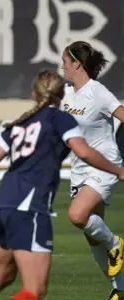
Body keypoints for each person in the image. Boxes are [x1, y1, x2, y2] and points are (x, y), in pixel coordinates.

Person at [0, 70, 124, 299]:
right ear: (61, 95)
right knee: (34, 290)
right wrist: (119, 170)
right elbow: (83, 152)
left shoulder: (19, 123)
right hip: (29, 210)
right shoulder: (60, 118)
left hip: (1, 206)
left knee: (0, 278)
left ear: (34, 95)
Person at [61, 41, 124, 299]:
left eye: (65, 61)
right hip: (80, 169)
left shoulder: (98, 92)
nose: (62, 66)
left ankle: (117, 244)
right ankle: (120, 290)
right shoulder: (65, 94)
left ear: (77, 63)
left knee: (77, 215)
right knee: (92, 236)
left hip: (105, 164)